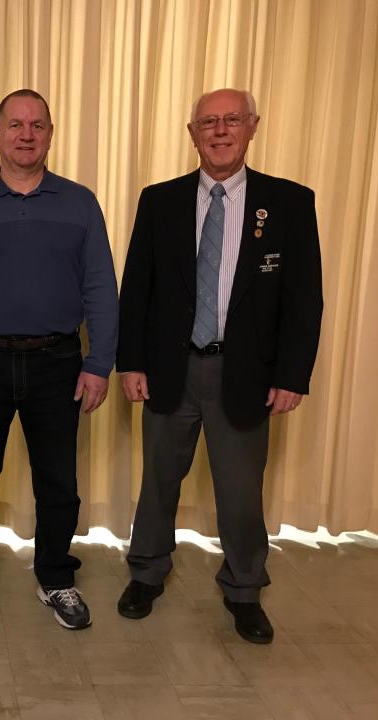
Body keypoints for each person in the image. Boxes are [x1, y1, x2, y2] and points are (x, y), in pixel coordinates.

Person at [116, 88, 323, 643]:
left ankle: (245, 588)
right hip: (169, 368)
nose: (220, 130)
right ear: (192, 134)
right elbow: (136, 289)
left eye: (232, 119)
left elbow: (305, 299)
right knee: (158, 480)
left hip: (246, 374)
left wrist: (291, 375)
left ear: (253, 126)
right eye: (208, 122)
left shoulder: (289, 202)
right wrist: (130, 362)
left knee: (239, 490)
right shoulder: (159, 201)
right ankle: (147, 573)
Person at [0, 90, 119, 630]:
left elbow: (102, 287)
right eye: (15, 124)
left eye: (37, 125)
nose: (26, 134)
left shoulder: (80, 204)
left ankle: (56, 576)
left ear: (50, 134)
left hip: (58, 362)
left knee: (58, 481)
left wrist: (99, 362)